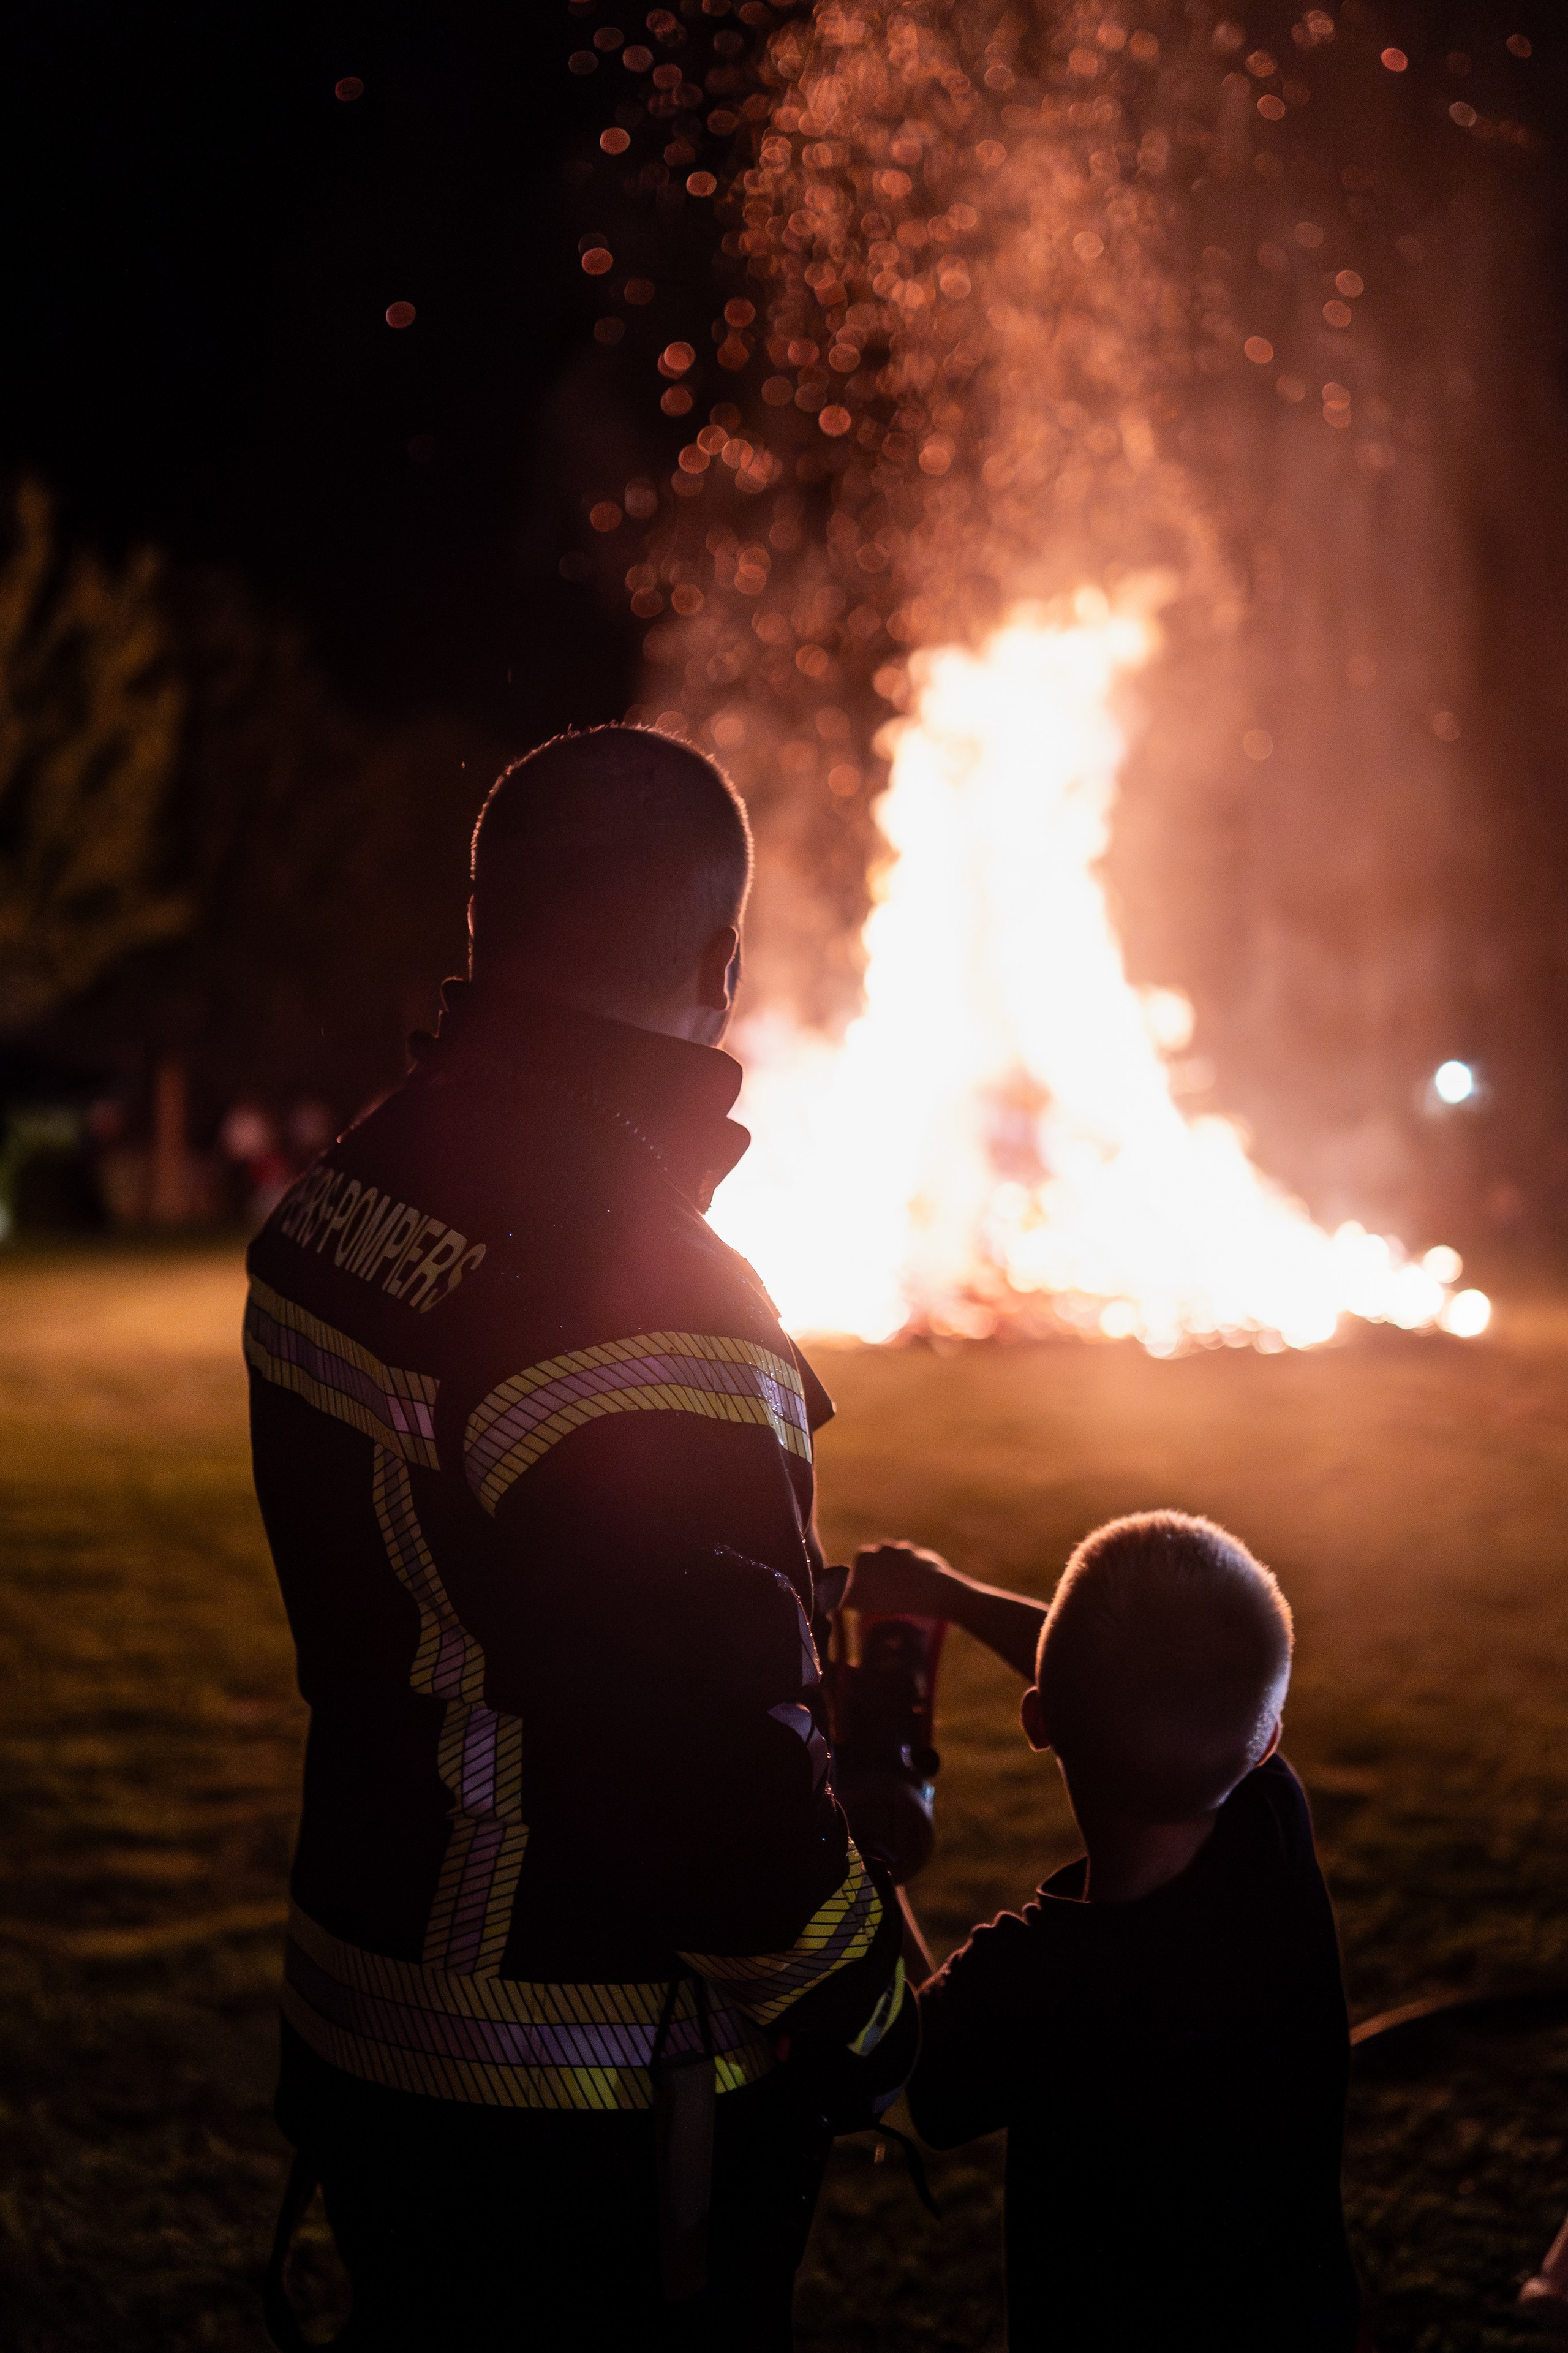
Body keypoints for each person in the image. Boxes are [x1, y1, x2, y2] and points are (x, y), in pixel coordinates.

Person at [246, 726, 913, 2351]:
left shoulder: (355, 1182)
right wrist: (877, 2011)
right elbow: (707, 1782)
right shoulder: (655, 1299)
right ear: (720, 965)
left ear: (488, 918)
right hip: (582, 2105)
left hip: (364, 2013)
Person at [845, 1515, 1363, 2351]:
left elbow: (901, 2066)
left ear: (1035, 1720)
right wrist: (954, 1598)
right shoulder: (1270, 1827)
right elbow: (1147, 1685)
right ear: (1266, 1740)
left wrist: (870, 1845)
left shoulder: (1031, 1983)